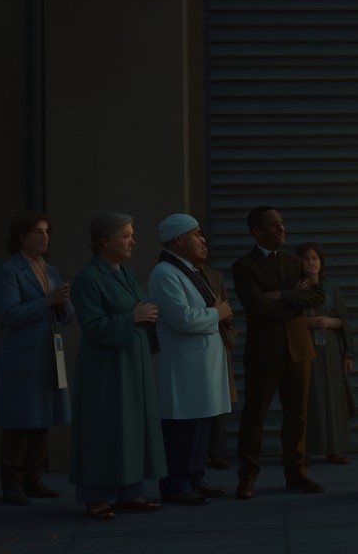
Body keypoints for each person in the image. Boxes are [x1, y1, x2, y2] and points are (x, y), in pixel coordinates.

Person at [68, 212, 166, 520]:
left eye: (131, 234)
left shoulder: (126, 272)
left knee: (132, 423)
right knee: (103, 425)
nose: (132, 241)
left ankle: (129, 491)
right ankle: (96, 495)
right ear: (104, 240)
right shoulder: (89, 278)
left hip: (132, 360)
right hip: (106, 366)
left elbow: (139, 308)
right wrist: (133, 317)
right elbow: (92, 324)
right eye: (125, 235)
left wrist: (145, 316)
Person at [232, 206, 325, 500]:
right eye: (273, 225)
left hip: (299, 350)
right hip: (264, 352)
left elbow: (317, 295)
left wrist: (282, 295)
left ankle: (296, 472)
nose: (281, 228)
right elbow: (255, 305)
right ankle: (248, 476)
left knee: (297, 416)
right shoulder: (244, 266)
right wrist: (294, 302)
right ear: (256, 231)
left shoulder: (294, 262)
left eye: (282, 223)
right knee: (254, 416)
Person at [147, 214, 234, 505]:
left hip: (200, 363)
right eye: (197, 234)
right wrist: (217, 314)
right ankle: (176, 485)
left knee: (200, 423)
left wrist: (216, 313)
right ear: (179, 239)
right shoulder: (165, 272)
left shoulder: (188, 270)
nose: (203, 240)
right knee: (182, 427)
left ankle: (195, 477)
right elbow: (181, 318)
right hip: (184, 364)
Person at [0, 212, 75, 505]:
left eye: (47, 231)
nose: (45, 237)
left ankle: (34, 477)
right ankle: (11, 481)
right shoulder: (9, 270)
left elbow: (66, 316)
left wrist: (62, 302)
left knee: (44, 414)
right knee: (20, 417)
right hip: (23, 354)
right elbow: (11, 314)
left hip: (49, 351)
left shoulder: (50, 270)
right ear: (21, 237)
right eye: (38, 231)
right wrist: (47, 300)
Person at [296, 242, 355, 465]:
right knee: (308, 397)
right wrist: (309, 322)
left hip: (330, 349)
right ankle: (303, 451)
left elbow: (343, 319)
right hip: (305, 345)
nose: (311, 263)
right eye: (306, 259)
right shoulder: (295, 287)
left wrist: (347, 353)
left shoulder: (330, 287)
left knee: (334, 397)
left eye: (315, 258)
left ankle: (334, 449)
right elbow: (287, 317)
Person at [201, 262, 238, 470]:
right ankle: (200, 454)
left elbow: (226, 308)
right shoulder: (176, 273)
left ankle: (217, 452)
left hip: (218, 338)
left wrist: (229, 333)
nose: (203, 248)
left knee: (218, 399)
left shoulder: (214, 275)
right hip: (198, 339)